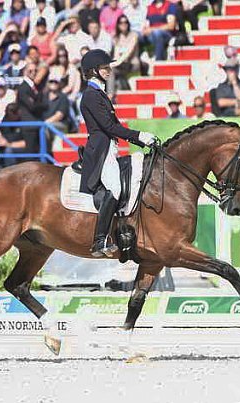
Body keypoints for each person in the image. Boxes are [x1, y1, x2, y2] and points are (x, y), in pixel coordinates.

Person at [78, 49, 156, 257]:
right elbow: (108, 127)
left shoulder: (100, 94)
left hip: (110, 148)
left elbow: (115, 125)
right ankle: (99, 241)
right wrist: (139, 135)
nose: (109, 70)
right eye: (105, 68)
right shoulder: (91, 96)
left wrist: (138, 140)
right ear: (94, 71)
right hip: (100, 151)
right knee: (115, 187)